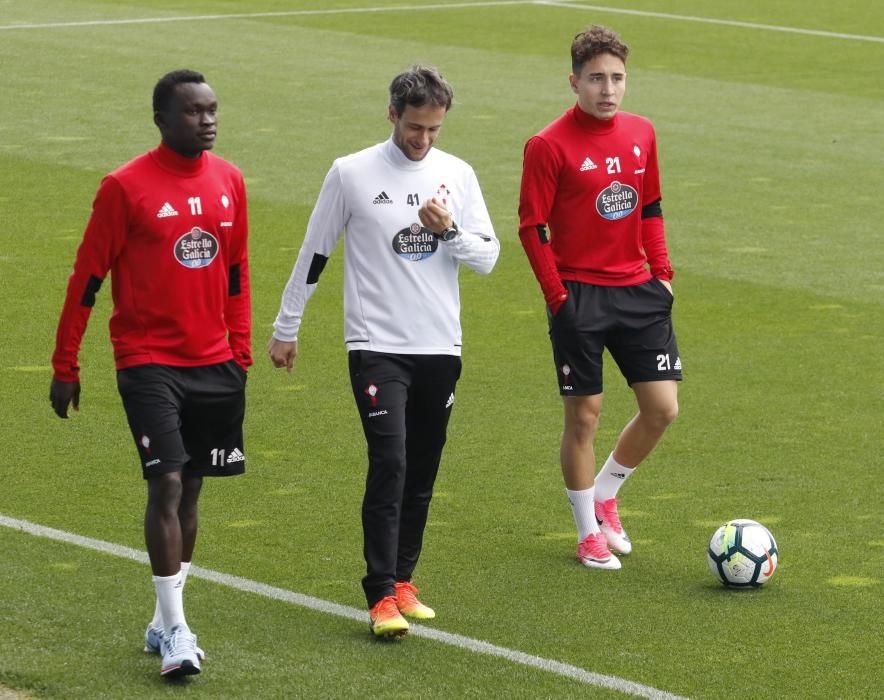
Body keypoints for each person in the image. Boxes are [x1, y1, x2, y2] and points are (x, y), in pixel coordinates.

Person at [269, 65, 499, 638]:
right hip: (376, 347)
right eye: (415, 127)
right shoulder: (351, 173)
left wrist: (448, 232)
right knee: (390, 461)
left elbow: (488, 258)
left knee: (421, 469)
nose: (423, 140)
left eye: (434, 130)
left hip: (440, 346)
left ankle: (402, 581)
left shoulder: (458, 175)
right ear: (393, 114)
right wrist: (286, 326)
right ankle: (378, 594)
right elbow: (315, 252)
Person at [49, 69, 251, 676]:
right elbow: (87, 278)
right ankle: (178, 632)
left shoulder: (230, 181)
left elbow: (236, 272)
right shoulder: (125, 187)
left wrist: (238, 351)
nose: (207, 120)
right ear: (161, 119)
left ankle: (164, 620)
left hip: (215, 363)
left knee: (191, 489)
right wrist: (66, 363)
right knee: (165, 482)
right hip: (147, 362)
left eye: (212, 109)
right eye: (193, 112)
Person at [518, 26, 681, 570]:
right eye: (595, 79)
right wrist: (557, 296)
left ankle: (606, 493)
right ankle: (587, 531)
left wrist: (662, 272)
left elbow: (650, 205)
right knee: (583, 417)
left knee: (661, 409)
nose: (607, 90)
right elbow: (532, 227)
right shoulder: (547, 145)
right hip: (579, 295)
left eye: (616, 78)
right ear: (574, 82)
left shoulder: (642, 133)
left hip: (638, 290)